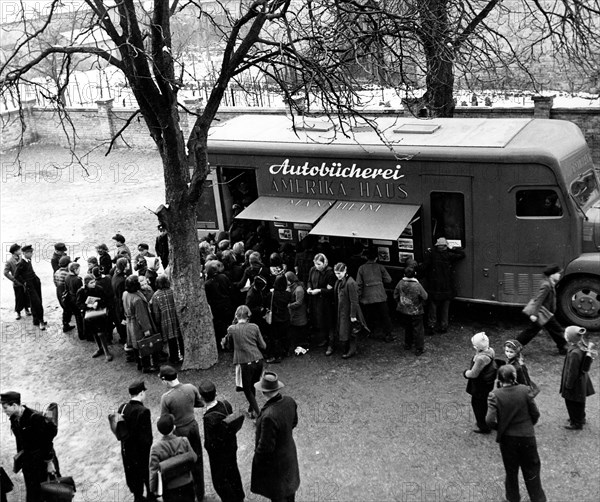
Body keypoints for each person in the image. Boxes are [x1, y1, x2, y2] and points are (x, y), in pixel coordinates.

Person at [486, 365, 547, 502]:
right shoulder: (525, 390)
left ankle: (512, 498)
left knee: (511, 471)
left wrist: (500, 428)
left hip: (508, 440)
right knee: (532, 471)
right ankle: (538, 499)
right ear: (514, 377)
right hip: (527, 437)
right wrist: (529, 425)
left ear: (499, 379)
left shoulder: (495, 395)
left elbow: (489, 420)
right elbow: (535, 413)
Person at [1, 391, 60, 502]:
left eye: (5, 408)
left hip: (43, 463)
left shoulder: (35, 418)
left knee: (51, 493)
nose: (4, 411)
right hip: (29, 465)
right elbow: (21, 442)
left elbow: (47, 442)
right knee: (33, 495)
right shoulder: (14, 419)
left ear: (14, 405)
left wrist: (49, 463)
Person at [251, 372, 300, 502]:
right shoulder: (289, 401)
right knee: (290, 492)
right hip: (289, 454)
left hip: (276, 465)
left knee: (279, 494)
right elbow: (294, 422)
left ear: (263, 392)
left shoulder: (268, 415)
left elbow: (266, 448)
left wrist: (257, 456)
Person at [159, 365, 205, 501]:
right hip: (193, 427)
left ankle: (188, 494)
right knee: (197, 459)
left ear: (165, 380)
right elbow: (200, 403)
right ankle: (200, 493)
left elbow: (165, 419)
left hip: (179, 432)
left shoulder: (166, 398)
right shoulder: (190, 387)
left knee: (182, 464)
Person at [199, 380, 245, 502]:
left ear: (202, 398)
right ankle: (239, 496)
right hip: (231, 446)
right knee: (233, 472)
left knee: (220, 480)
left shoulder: (208, 418)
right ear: (216, 393)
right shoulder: (226, 404)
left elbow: (209, 443)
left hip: (219, 455)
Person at [222, 305, 267, 418]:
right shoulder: (255, 327)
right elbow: (263, 345)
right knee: (253, 385)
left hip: (244, 362)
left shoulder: (232, 329)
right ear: (248, 316)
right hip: (258, 360)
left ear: (236, 316)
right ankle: (251, 409)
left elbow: (228, 345)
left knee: (247, 389)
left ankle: (258, 413)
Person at [517, 264, 568, 355]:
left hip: (545, 313)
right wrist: (534, 314)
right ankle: (514, 346)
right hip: (542, 313)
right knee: (555, 329)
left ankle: (562, 348)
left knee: (552, 330)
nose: (560, 275)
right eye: (558, 273)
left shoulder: (548, 283)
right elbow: (539, 300)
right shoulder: (546, 285)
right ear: (552, 275)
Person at [119, 380, 155, 502]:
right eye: (144, 391)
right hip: (140, 452)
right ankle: (150, 496)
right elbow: (147, 438)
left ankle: (138, 496)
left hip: (126, 449)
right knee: (145, 473)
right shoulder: (143, 411)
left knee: (132, 474)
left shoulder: (122, 408)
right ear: (140, 393)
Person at [149, 414, 196, 502]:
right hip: (187, 483)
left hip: (169, 487)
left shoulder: (155, 448)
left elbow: (153, 471)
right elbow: (194, 458)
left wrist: (153, 490)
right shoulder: (184, 441)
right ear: (174, 427)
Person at [423, 237, 465, 333]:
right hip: (447, 286)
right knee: (445, 308)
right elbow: (462, 254)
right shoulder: (449, 255)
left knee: (433, 307)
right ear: (445, 246)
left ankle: (431, 326)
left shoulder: (432, 255)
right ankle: (443, 326)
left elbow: (424, 266)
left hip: (434, 286)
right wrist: (450, 248)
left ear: (437, 246)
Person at [560, 326, 597, 430]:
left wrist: (568, 385)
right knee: (579, 401)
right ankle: (581, 418)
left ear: (570, 338)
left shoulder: (574, 353)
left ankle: (576, 422)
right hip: (581, 381)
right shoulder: (580, 347)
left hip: (574, 382)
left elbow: (572, 372)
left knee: (572, 402)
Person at [356, 246, 393, 343]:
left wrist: (358, 297)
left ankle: (371, 332)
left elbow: (358, 284)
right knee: (385, 316)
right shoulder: (380, 267)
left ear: (366, 258)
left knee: (370, 316)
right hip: (380, 295)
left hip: (367, 298)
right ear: (376, 258)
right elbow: (388, 280)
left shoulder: (361, 268)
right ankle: (388, 334)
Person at [123, 275, 158, 373]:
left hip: (130, 322)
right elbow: (141, 316)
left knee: (136, 345)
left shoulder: (125, 294)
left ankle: (139, 364)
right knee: (144, 344)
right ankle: (146, 366)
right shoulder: (137, 299)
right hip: (138, 325)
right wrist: (146, 329)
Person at [463, 332, 496, 434]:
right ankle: (484, 422)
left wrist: (465, 373)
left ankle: (482, 426)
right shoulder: (490, 351)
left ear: (477, 347)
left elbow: (473, 374)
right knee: (482, 403)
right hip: (487, 384)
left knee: (477, 404)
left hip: (479, 386)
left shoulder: (481, 358)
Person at [333, 262, 368, 359]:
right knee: (345, 330)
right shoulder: (340, 282)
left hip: (349, 311)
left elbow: (354, 301)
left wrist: (353, 315)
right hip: (342, 310)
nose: (338, 275)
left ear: (345, 271)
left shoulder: (351, 283)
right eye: (336, 273)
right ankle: (348, 348)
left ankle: (352, 349)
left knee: (351, 331)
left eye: (339, 273)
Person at [77, 274, 113, 361]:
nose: (94, 284)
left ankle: (106, 351)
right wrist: (88, 306)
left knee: (101, 333)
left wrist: (99, 304)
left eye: (94, 282)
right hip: (90, 316)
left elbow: (106, 300)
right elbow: (79, 304)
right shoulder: (81, 292)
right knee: (94, 333)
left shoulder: (99, 289)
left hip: (100, 314)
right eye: (91, 283)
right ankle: (100, 348)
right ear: (86, 283)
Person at [394, 267, 428, 356]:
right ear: (415, 274)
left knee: (407, 327)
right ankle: (419, 348)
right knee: (418, 329)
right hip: (416, 310)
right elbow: (425, 296)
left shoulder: (400, 283)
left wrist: (400, 303)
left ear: (404, 274)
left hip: (404, 310)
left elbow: (395, 294)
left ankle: (407, 344)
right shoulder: (417, 285)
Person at [151, 275, 184, 364]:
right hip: (176, 317)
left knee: (171, 339)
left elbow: (156, 312)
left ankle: (174, 358)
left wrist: (158, 322)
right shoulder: (173, 291)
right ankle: (184, 354)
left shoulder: (155, 296)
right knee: (180, 336)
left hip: (164, 320)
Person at [306, 253, 336, 350]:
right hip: (315, 301)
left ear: (324, 263)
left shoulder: (330, 273)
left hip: (326, 302)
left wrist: (319, 290)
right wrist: (309, 288)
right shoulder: (312, 270)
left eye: (319, 264)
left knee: (328, 321)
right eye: (315, 264)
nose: (317, 266)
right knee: (319, 320)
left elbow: (331, 290)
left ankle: (331, 344)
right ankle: (324, 339)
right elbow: (309, 281)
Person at [14, 244, 46, 330]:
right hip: (29, 284)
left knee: (37, 300)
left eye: (31, 252)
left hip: (35, 282)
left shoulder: (28, 259)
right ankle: (41, 321)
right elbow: (16, 275)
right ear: (24, 253)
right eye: (30, 252)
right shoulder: (21, 263)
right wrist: (24, 282)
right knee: (37, 302)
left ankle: (36, 320)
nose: (31, 254)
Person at [205, 260, 235, 349]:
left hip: (217, 308)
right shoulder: (223, 277)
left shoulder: (208, 284)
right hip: (227, 305)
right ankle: (231, 343)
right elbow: (231, 290)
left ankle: (221, 345)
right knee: (229, 324)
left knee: (219, 327)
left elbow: (208, 298)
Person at [266, 274, 292, 363]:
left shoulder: (271, 295)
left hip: (275, 318)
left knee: (275, 337)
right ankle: (286, 351)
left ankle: (278, 355)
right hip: (285, 317)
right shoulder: (288, 294)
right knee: (285, 335)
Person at [3, 244, 31, 320]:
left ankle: (27, 309)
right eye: (19, 250)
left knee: (26, 295)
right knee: (19, 297)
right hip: (17, 283)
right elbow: (5, 272)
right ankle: (18, 312)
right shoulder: (9, 261)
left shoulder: (22, 258)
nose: (20, 251)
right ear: (15, 252)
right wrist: (14, 279)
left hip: (24, 281)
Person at [286, 271, 308, 350]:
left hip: (299, 314)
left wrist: (288, 306)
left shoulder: (299, 289)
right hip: (296, 313)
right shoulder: (295, 286)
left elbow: (299, 303)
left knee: (300, 330)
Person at [53, 256, 75, 333]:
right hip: (65, 293)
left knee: (65, 308)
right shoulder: (67, 274)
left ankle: (65, 324)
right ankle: (66, 325)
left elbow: (55, 283)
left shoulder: (56, 272)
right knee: (68, 309)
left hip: (59, 292)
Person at [64, 261, 86, 340]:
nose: (79, 271)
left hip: (70, 299)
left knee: (77, 316)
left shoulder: (66, 277)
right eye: (78, 269)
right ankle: (83, 334)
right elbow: (80, 292)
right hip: (77, 299)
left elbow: (66, 289)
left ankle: (81, 334)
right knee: (80, 317)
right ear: (75, 270)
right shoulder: (78, 279)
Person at [112, 257, 130, 346]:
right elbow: (121, 297)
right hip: (120, 304)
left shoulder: (116, 275)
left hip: (116, 302)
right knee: (123, 324)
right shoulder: (122, 280)